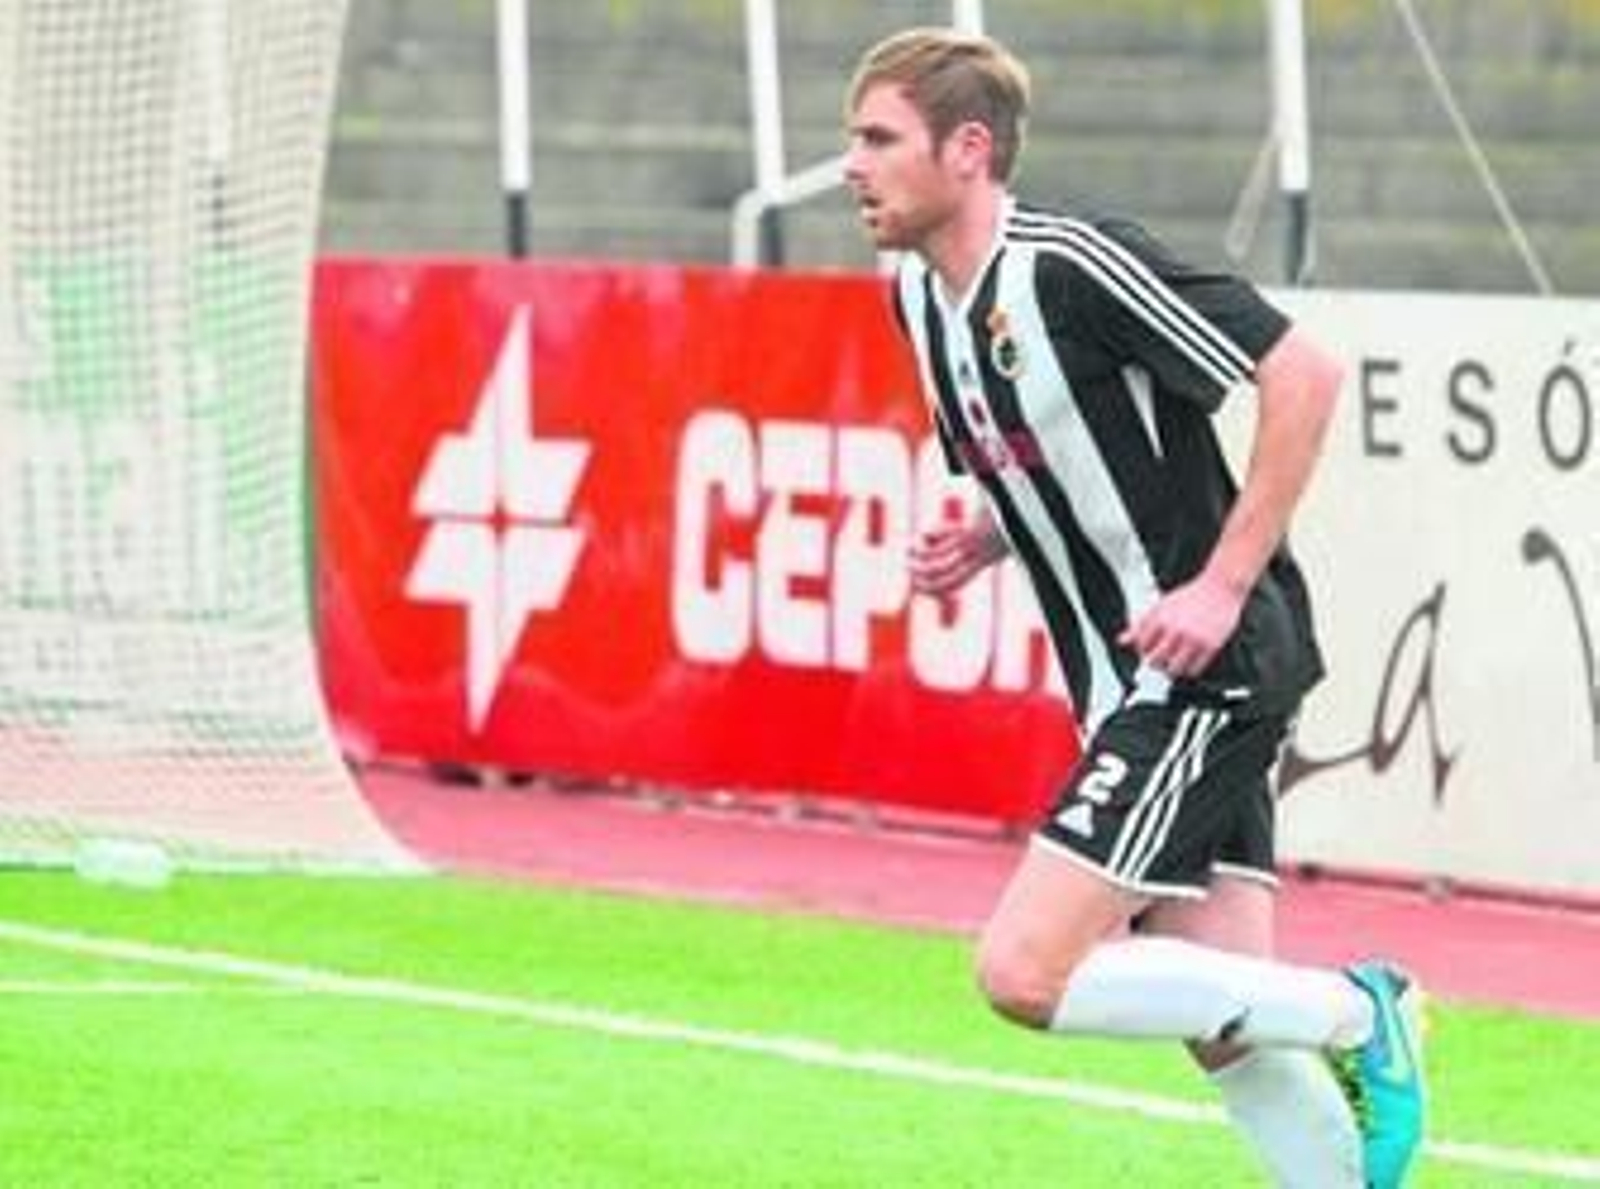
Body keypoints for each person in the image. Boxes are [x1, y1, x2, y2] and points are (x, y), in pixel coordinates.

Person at [843, 27, 1426, 1189]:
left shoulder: (1069, 263)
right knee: (1230, 1029)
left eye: (876, 138)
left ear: (967, 150)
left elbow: (1300, 373)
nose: (851, 164)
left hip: (1204, 669)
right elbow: (1057, 457)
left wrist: (1217, 585)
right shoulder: (917, 295)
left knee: (1023, 972)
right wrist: (989, 531)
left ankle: (1368, 1013)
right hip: (1130, 684)